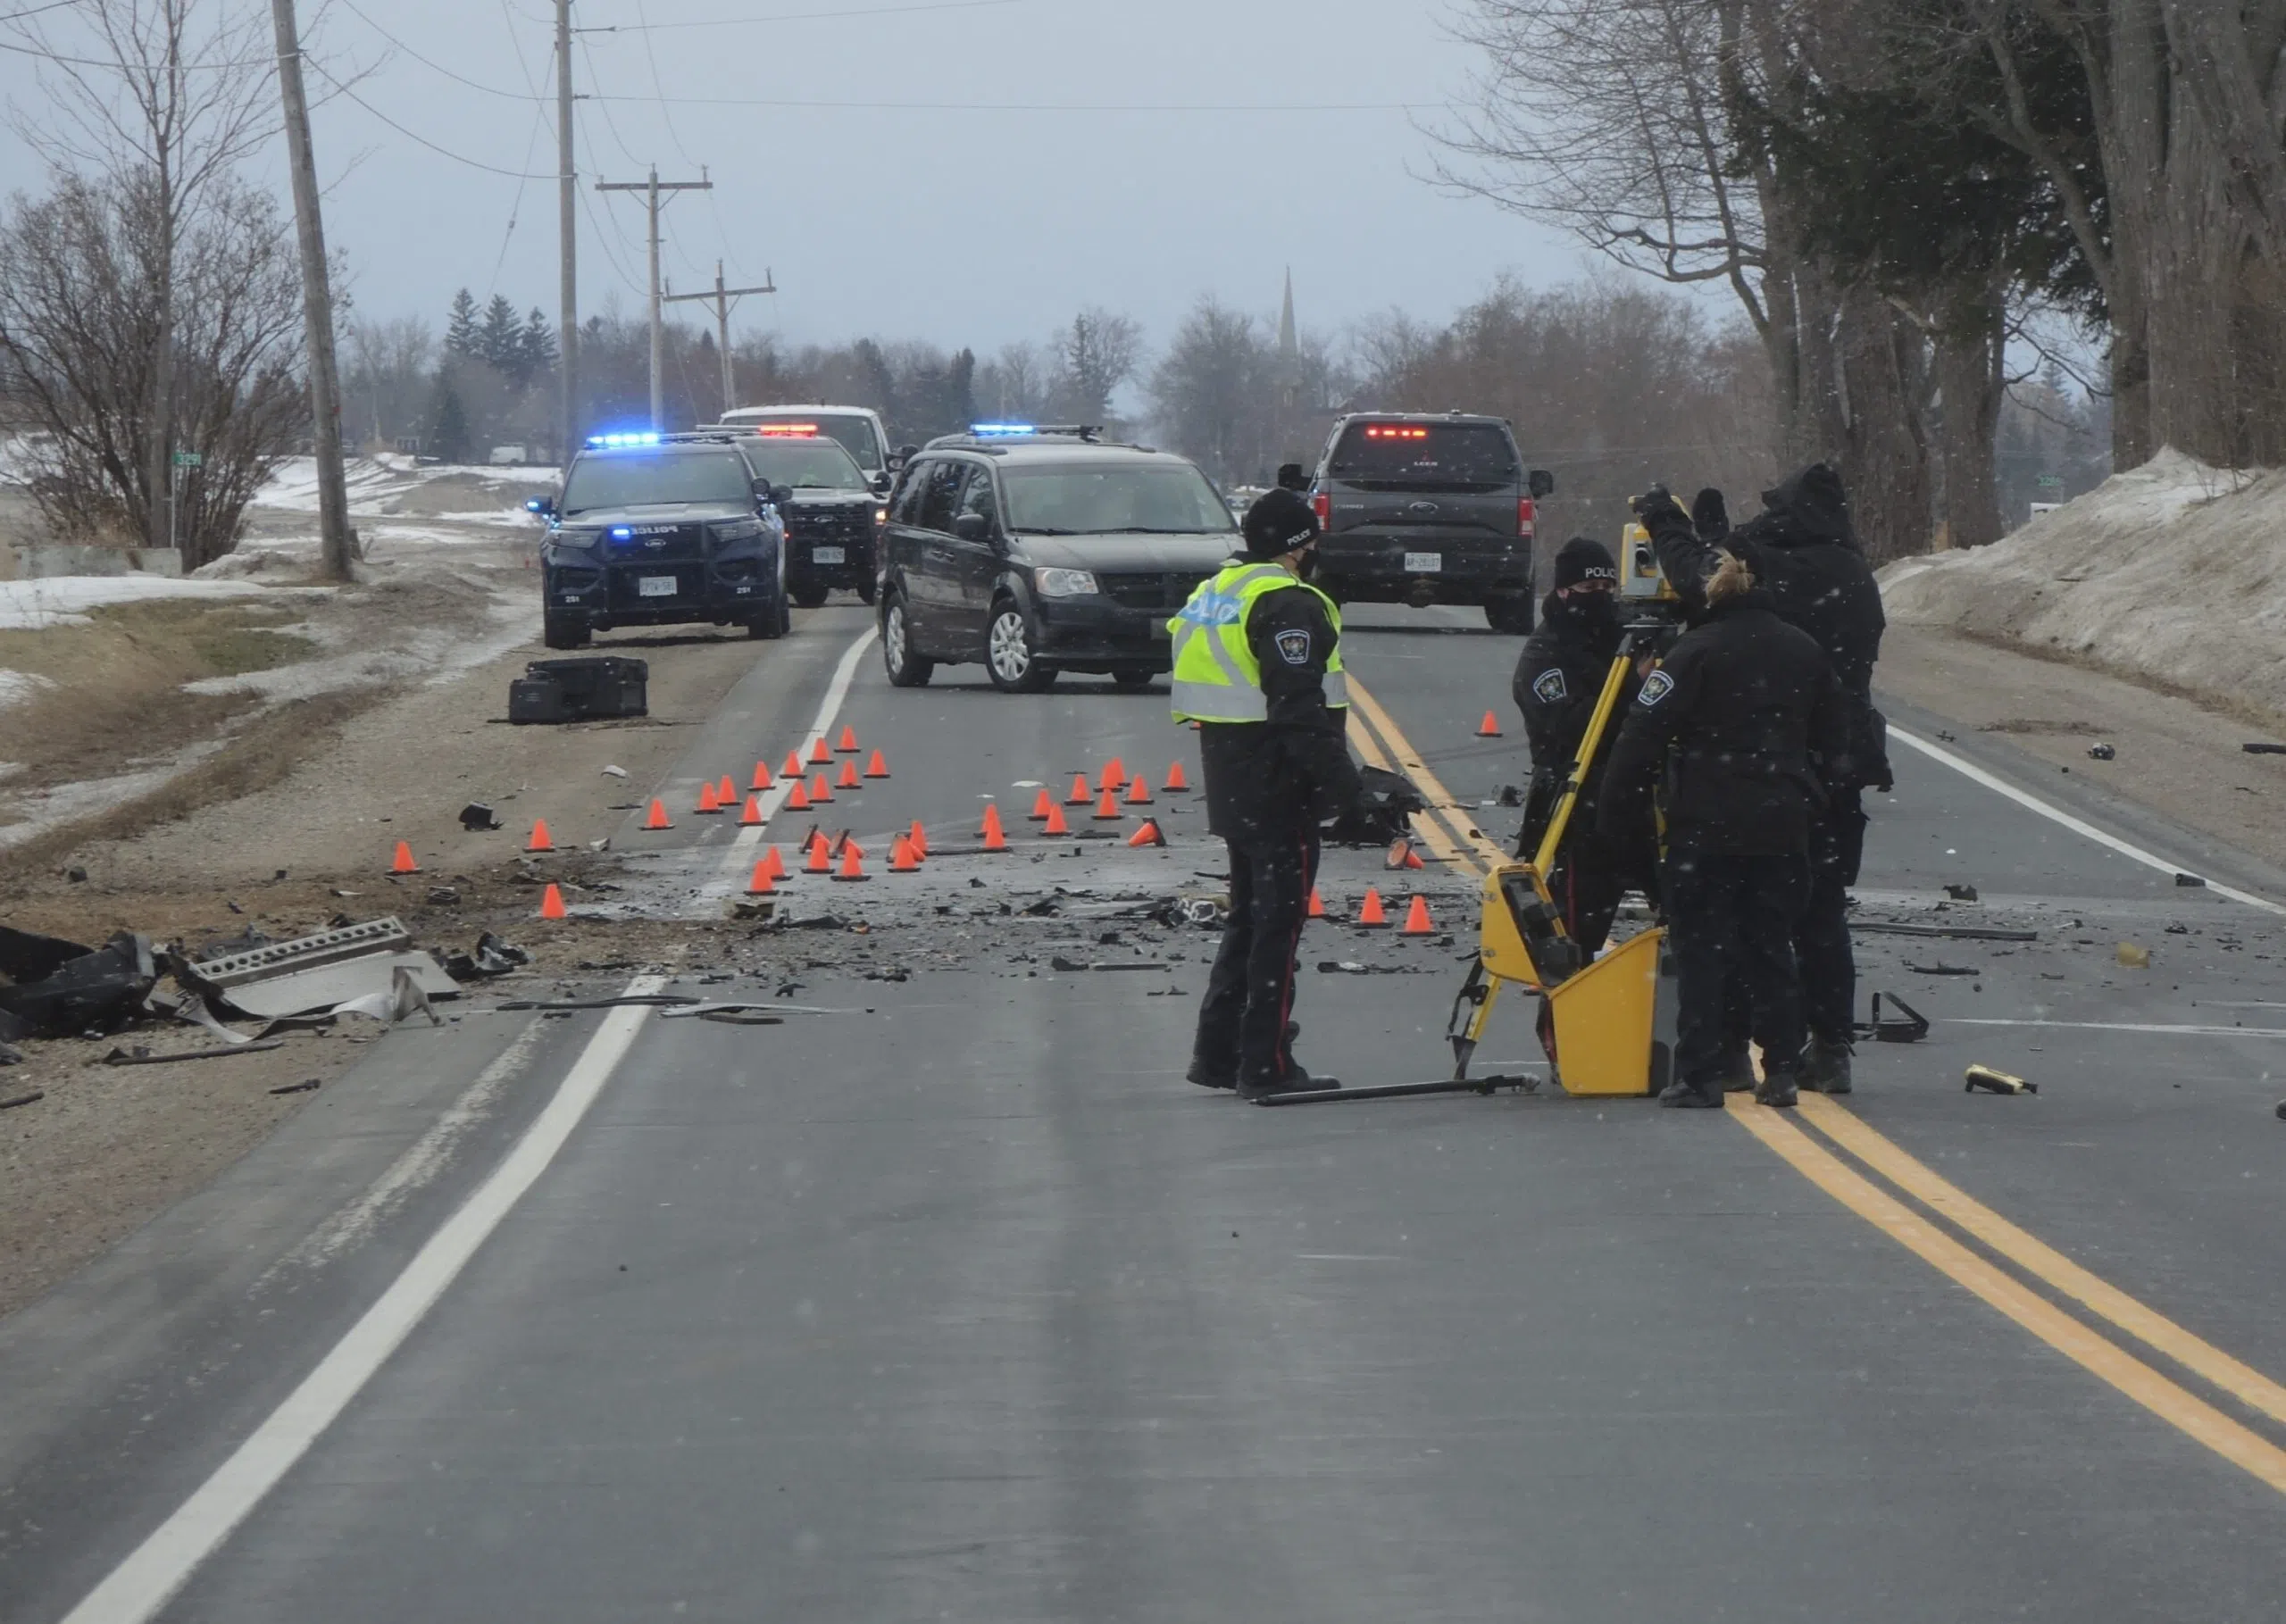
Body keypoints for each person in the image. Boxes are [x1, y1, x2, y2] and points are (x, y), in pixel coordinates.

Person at [1641, 464, 1890, 1094]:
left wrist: (1666, 523)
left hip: (1764, 771)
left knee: (1737, 917)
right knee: (1820, 915)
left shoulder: (1773, 566)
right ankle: (1828, 1047)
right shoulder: (1855, 575)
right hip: (1837, 767)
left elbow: (1701, 580)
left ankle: (1726, 1050)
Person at [1598, 516, 1849, 1110]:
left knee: (1703, 950)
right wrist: (1816, 800)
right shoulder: (1803, 649)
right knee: (1772, 946)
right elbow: (1839, 737)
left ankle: (1701, 1073)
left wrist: (1617, 820)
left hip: (1707, 823)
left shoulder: (1694, 651)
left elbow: (1640, 737)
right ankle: (1782, 1068)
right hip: (1781, 821)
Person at [1172, 487, 1364, 1101]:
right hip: (1280, 789)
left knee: (1249, 922)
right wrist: (1350, 790)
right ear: (1299, 548)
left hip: (1233, 783)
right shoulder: (1287, 603)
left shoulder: (1216, 592)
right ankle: (1267, 1064)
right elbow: (1299, 710)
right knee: (1277, 931)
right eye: (1311, 545)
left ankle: (1218, 1052)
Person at [1510, 536, 1639, 955]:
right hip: (1574, 793)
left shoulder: (1627, 634)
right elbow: (1570, 724)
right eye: (1588, 590)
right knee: (1577, 913)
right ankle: (1564, 1000)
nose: (1600, 598)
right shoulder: (1544, 654)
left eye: (1607, 589)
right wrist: (1634, 686)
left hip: (1630, 788)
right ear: (1564, 591)